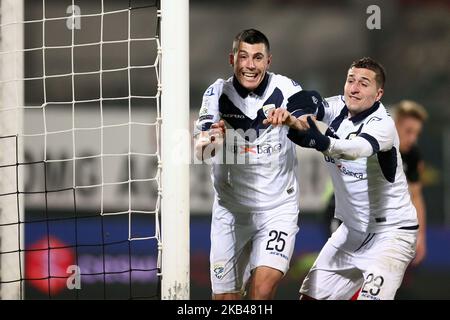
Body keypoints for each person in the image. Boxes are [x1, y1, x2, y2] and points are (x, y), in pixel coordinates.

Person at [265, 57, 418, 300]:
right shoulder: (338, 107)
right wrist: (294, 118)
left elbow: (352, 149)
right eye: (350, 80)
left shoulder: (384, 125)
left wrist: (319, 139)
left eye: (363, 83)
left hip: (391, 234)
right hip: (351, 231)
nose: (354, 88)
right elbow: (307, 100)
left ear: (378, 94)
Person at [193, 29, 308, 300]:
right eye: (243, 57)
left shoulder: (287, 89)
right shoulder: (217, 92)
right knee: (225, 300)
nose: (250, 65)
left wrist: (291, 120)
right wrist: (212, 140)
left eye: (258, 58)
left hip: (277, 209)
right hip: (230, 212)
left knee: (262, 291)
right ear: (231, 59)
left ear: (268, 61)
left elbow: (309, 126)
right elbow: (200, 151)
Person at [393, 100, 428, 266]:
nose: (413, 138)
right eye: (408, 131)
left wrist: (419, 236)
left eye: (417, 134)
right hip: (340, 210)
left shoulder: (413, 155)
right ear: (395, 124)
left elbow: (416, 196)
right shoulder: (375, 144)